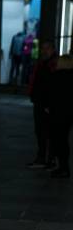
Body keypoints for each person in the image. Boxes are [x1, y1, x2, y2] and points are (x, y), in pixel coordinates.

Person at [26, 40, 58, 169]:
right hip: (39, 103)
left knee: (48, 133)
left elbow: (53, 87)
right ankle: (43, 158)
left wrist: (49, 104)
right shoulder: (43, 63)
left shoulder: (53, 64)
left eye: (47, 48)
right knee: (40, 132)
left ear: (53, 49)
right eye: (43, 48)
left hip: (47, 105)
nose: (44, 51)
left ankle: (49, 159)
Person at [48, 54, 73, 178]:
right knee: (64, 140)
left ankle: (62, 167)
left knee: (58, 140)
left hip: (58, 113)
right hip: (69, 113)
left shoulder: (56, 76)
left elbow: (51, 95)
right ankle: (64, 167)